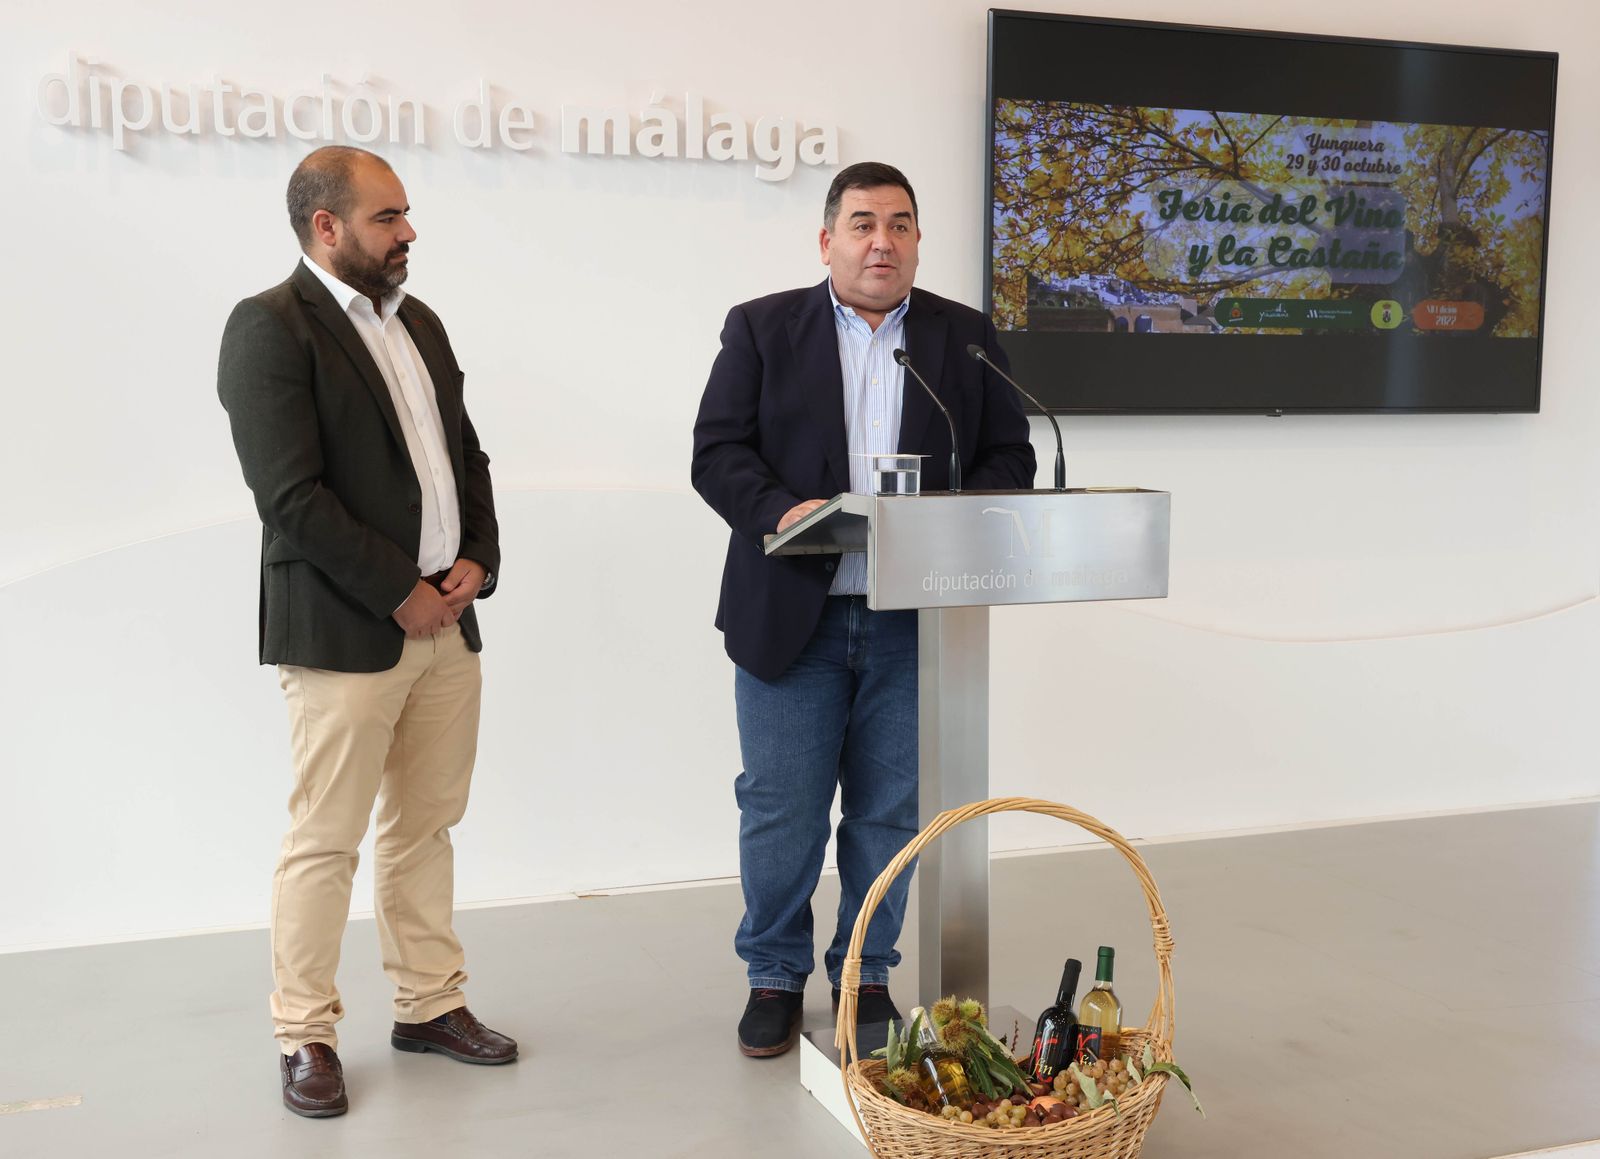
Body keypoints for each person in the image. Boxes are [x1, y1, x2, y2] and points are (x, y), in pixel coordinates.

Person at [691, 161, 1036, 1057]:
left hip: (914, 618)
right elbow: (717, 451)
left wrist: (953, 516)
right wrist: (778, 510)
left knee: (888, 811)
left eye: (900, 223)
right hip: (791, 617)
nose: (882, 240)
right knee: (782, 810)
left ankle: (867, 970)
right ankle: (774, 975)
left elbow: (1010, 455)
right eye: (862, 223)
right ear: (828, 240)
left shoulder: (963, 337)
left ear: (919, 239)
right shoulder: (764, 328)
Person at [217, 145, 516, 1118]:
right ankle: (304, 1030)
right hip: (349, 629)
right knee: (325, 840)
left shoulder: (416, 320)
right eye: (388, 217)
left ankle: (429, 1005)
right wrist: (401, 590)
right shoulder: (267, 329)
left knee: (426, 828)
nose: (408, 232)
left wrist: (476, 554)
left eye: (406, 214)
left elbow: (461, 453)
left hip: (446, 623)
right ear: (327, 227)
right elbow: (290, 497)